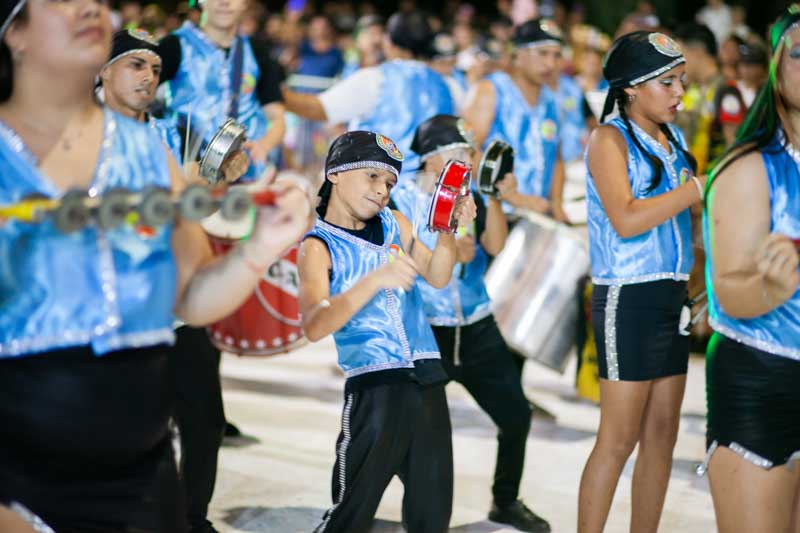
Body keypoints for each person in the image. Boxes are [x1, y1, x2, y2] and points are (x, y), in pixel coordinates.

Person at [0, 1, 311, 532]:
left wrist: (260, 247)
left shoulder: (145, 148)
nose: (90, 7)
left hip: (142, 476)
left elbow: (190, 297)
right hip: (21, 478)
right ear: (14, 34)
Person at [98, 27, 251, 533]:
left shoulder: (167, 132)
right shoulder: (79, 133)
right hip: (117, 311)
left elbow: (190, 209)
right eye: (135, 64)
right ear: (104, 70)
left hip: (178, 304)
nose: (149, 77)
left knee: (203, 423)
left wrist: (219, 177)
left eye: (156, 69)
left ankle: (192, 519)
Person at [297, 130, 476, 533]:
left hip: (427, 377)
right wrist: (374, 280)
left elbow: (438, 275)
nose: (382, 190)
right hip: (375, 387)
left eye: (391, 182)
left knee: (432, 513)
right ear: (336, 174)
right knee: (351, 512)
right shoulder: (318, 245)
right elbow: (313, 324)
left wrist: (450, 229)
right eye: (373, 177)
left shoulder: (395, 223)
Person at [391, 114, 551, 533]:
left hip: (477, 326)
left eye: (469, 152)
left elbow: (494, 245)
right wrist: (446, 248)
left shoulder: (470, 195)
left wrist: (494, 196)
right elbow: (408, 257)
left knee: (516, 415)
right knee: (405, 433)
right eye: (459, 153)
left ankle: (505, 501)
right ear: (430, 160)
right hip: (427, 331)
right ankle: (394, 506)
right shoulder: (403, 199)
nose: (469, 160)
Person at [576, 31, 705, 533]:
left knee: (662, 436)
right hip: (625, 300)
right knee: (617, 438)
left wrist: (701, 286)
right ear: (630, 88)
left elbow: (686, 226)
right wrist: (695, 189)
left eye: (682, 82)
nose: (680, 94)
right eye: (668, 83)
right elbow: (626, 219)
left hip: (670, 297)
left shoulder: (672, 140)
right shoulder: (608, 139)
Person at [700, 6, 800, 532]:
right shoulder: (749, 168)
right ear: (776, 70)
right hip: (762, 379)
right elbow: (730, 294)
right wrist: (771, 286)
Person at [282, 11, 454, 180]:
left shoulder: (376, 79)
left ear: (389, 42)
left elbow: (318, 108)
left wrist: (274, 94)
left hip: (378, 192)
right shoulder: (447, 86)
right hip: (427, 192)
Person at [158, 0, 286, 183]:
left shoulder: (256, 51)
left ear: (244, 4)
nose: (225, 2)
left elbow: (277, 117)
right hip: (192, 179)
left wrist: (263, 146)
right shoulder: (175, 45)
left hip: (246, 180)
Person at [462, 18, 568, 222]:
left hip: (535, 216)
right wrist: (514, 197)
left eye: (556, 55)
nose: (551, 64)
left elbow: (556, 157)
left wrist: (556, 203)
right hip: (490, 215)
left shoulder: (551, 100)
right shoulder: (491, 90)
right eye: (543, 53)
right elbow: (466, 151)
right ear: (518, 54)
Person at [673, 22, 745, 175]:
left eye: (680, 55)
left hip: (713, 187)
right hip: (688, 186)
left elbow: (735, 146)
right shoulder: (689, 90)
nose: (676, 64)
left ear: (698, 51)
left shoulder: (726, 90)